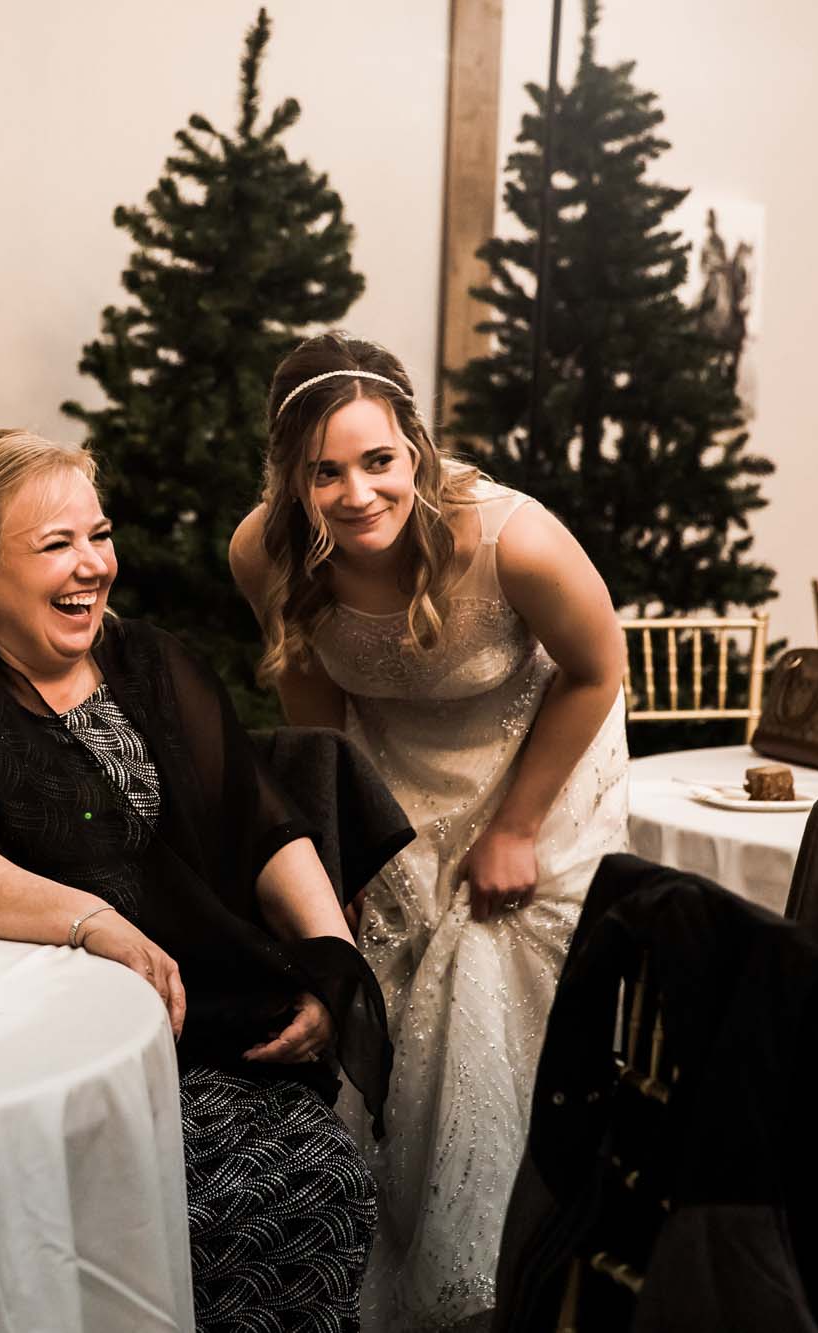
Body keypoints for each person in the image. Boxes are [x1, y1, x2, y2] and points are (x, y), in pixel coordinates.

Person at [0, 430, 389, 1332]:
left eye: (98, 535)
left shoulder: (150, 660)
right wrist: (93, 919)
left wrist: (333, 961)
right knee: (208, 1206)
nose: (92, 565)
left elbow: (261, 823)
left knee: (319, 1176)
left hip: (208, 1028)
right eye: (56, 544)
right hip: (37, 1056)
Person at [231, 333, 629, 1331]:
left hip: (541, 764)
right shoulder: (262, 551)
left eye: (378, 460)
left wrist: (515, 828)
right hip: (391, 778)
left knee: (482, 972)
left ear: (414, 445)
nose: (356, 493)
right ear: (290, 477)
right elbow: (313, 707)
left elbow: (598, 670)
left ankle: (505, 1279)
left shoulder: (513, 542)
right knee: (383, 974)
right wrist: (338, 849)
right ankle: (378, 1262)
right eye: (324, 472)